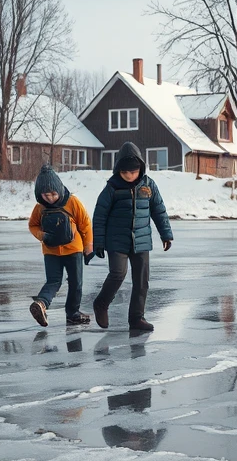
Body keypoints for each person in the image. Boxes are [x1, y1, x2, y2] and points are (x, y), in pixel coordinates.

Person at [91, 142, 173, 332]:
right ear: (118, 169)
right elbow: (99, 216)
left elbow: (158, 210)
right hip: (116, 240)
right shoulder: (111, 187)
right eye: (125, 172)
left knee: (142, 280)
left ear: (140, 169)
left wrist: (166, 234)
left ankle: (137, 318)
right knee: (118, 273)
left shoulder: (148, 185)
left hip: (141, 239)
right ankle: (101, 303)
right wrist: (99, 242)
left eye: (133, 172)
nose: (129, 176)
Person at [27, 165, 93, 327]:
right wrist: (42, 235)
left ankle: (73, 313)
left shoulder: (72, 202)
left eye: (54, 194)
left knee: (75, 283)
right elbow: (33, 225)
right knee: (53, 281)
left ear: (60, 190)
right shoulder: (40, 207)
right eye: (46, 195)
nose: (50, 198)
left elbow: (85, 225)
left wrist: (88, 245)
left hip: (74, 250)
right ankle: (41, 304)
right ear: (39, 194)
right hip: (51, 251)